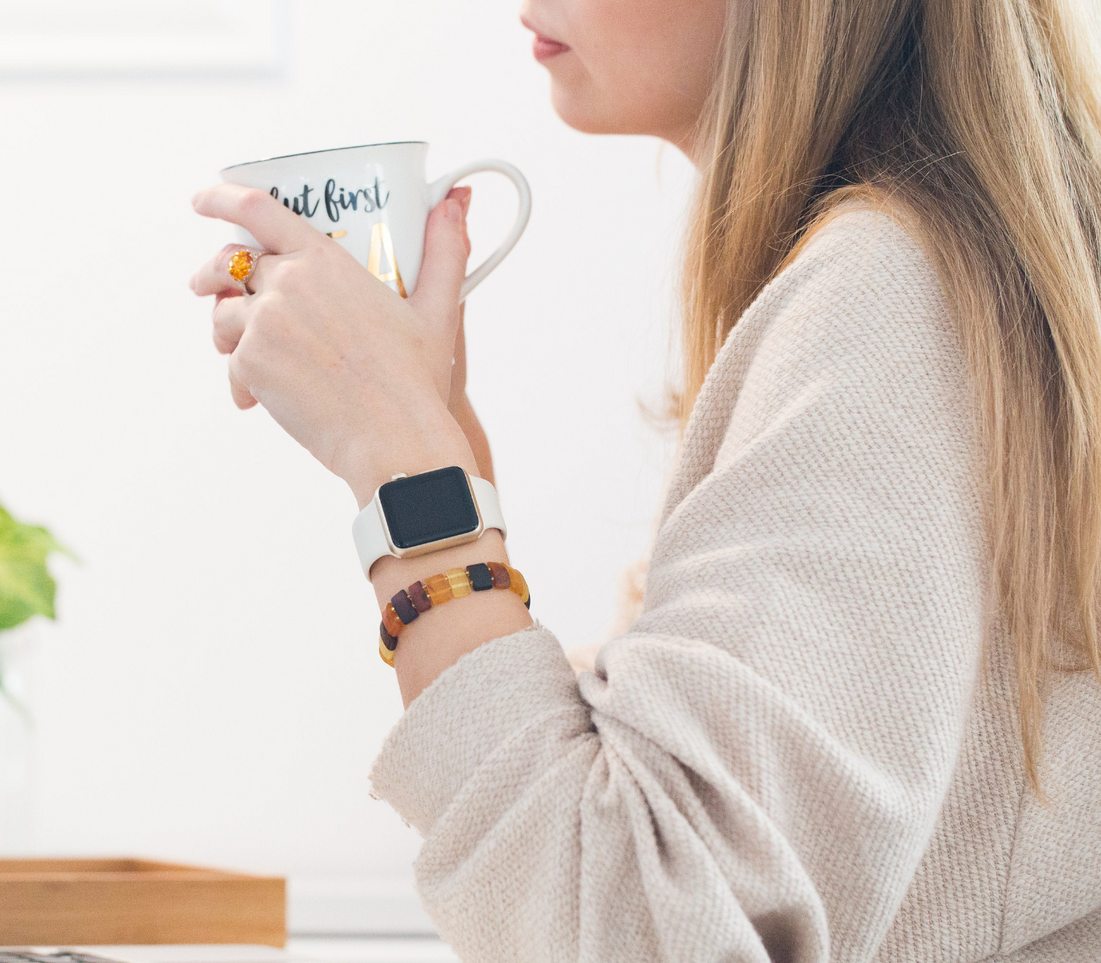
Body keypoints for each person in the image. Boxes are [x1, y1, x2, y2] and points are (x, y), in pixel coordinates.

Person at [190, 0, 1101, 958]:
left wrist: (404, 468)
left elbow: (629, 916)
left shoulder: (885, 296)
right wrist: (432, 437)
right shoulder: (925, 282)